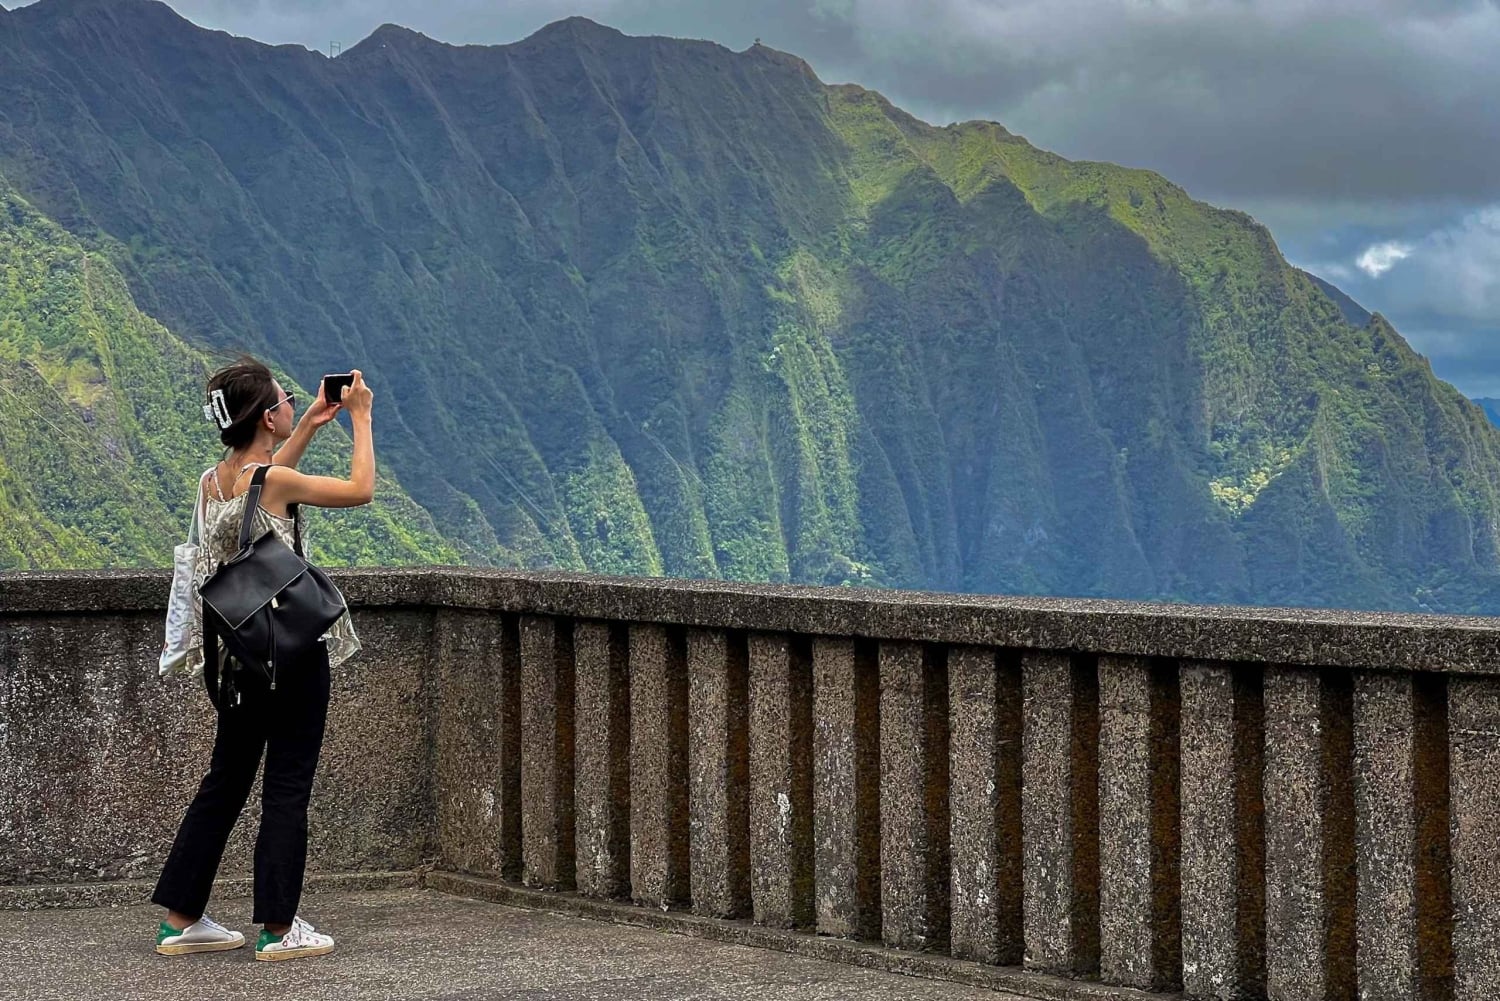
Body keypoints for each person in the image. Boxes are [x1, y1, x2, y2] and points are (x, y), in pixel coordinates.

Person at [151, 356, 375, 961]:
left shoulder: (214, 480)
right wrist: (360, 418)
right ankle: (279, 928)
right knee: (286, 784)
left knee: (224, 782)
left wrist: (306, 427)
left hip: (235, 655)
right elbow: (361, 490)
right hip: (290, 652)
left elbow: (262, 490)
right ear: (263, 415)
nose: (289, 405)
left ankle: (181, 918)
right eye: (283, 400)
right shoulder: (270, 480)